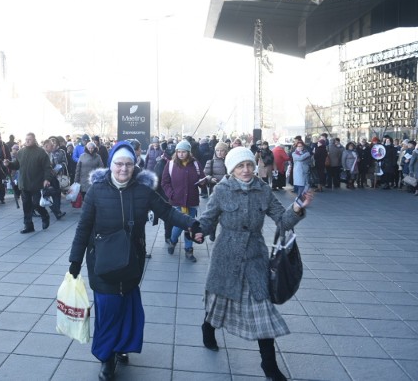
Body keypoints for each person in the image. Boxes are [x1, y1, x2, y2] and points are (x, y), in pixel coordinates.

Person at [68, 141, 204, 381]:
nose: (123, 169)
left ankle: (121, 347)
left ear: (135, 166)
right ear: (111, 165)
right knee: (108, 310)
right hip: (102, 263)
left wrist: (191, 224)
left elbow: (168, 211)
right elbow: (83, 228)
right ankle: (106, 358)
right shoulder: (97, 191)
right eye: (119, 164)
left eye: (128, 164)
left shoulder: (142, 191)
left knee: (128, 307)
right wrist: (75, 261)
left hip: (132, 261)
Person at [196, 146, 312, 381]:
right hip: (225, 257)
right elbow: (207, 220)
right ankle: (208, 328)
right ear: (232, 170)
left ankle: (269, 367)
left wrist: (298, 207)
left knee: (263, 310)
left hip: (255, 258)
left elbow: (282, 220)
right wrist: (197, 231)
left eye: (249, 165)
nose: (246, 170)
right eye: (240, 166)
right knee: (217, 303)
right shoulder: (221, 190)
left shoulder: (263, 190)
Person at [161, 140, 206, 262]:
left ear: (189, 152)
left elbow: (202, 180)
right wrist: (171, 194)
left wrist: (203, 183)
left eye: (184, 152)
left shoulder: (195, 164)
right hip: (176, 201)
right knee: (179, 225)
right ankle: (173, 240)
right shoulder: (170, 164)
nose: (181, 154)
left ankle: (188, 250)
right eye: (179, 152)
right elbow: (164, 182)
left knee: (189, 226)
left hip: (191, 201)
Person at [4, 133, 54, 233]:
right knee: (26, 206)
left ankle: (45, 215)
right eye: (26, 139)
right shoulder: (21, 152)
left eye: (29, 139)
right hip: (24, 183)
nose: (27, 141)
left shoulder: (41, 152)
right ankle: (28, 225)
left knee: (36, 204)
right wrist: (9, 164)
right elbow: (16, 165)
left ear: (34, 140)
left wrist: (47, 179)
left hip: (37, 183)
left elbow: (47, 168)